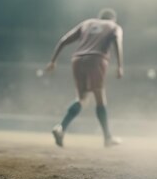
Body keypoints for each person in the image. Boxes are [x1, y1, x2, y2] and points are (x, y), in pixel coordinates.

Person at [46, 8, 124, 148]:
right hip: (96, 59)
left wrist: (53, 60)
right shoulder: (114, 26)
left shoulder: (87, 23)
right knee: (100, 98)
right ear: (113, 19)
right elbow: (117, 41)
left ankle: (61, 128)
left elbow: (64, 40)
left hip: (77, 59)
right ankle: (107, 138)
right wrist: (119, 66)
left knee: (82, 98)